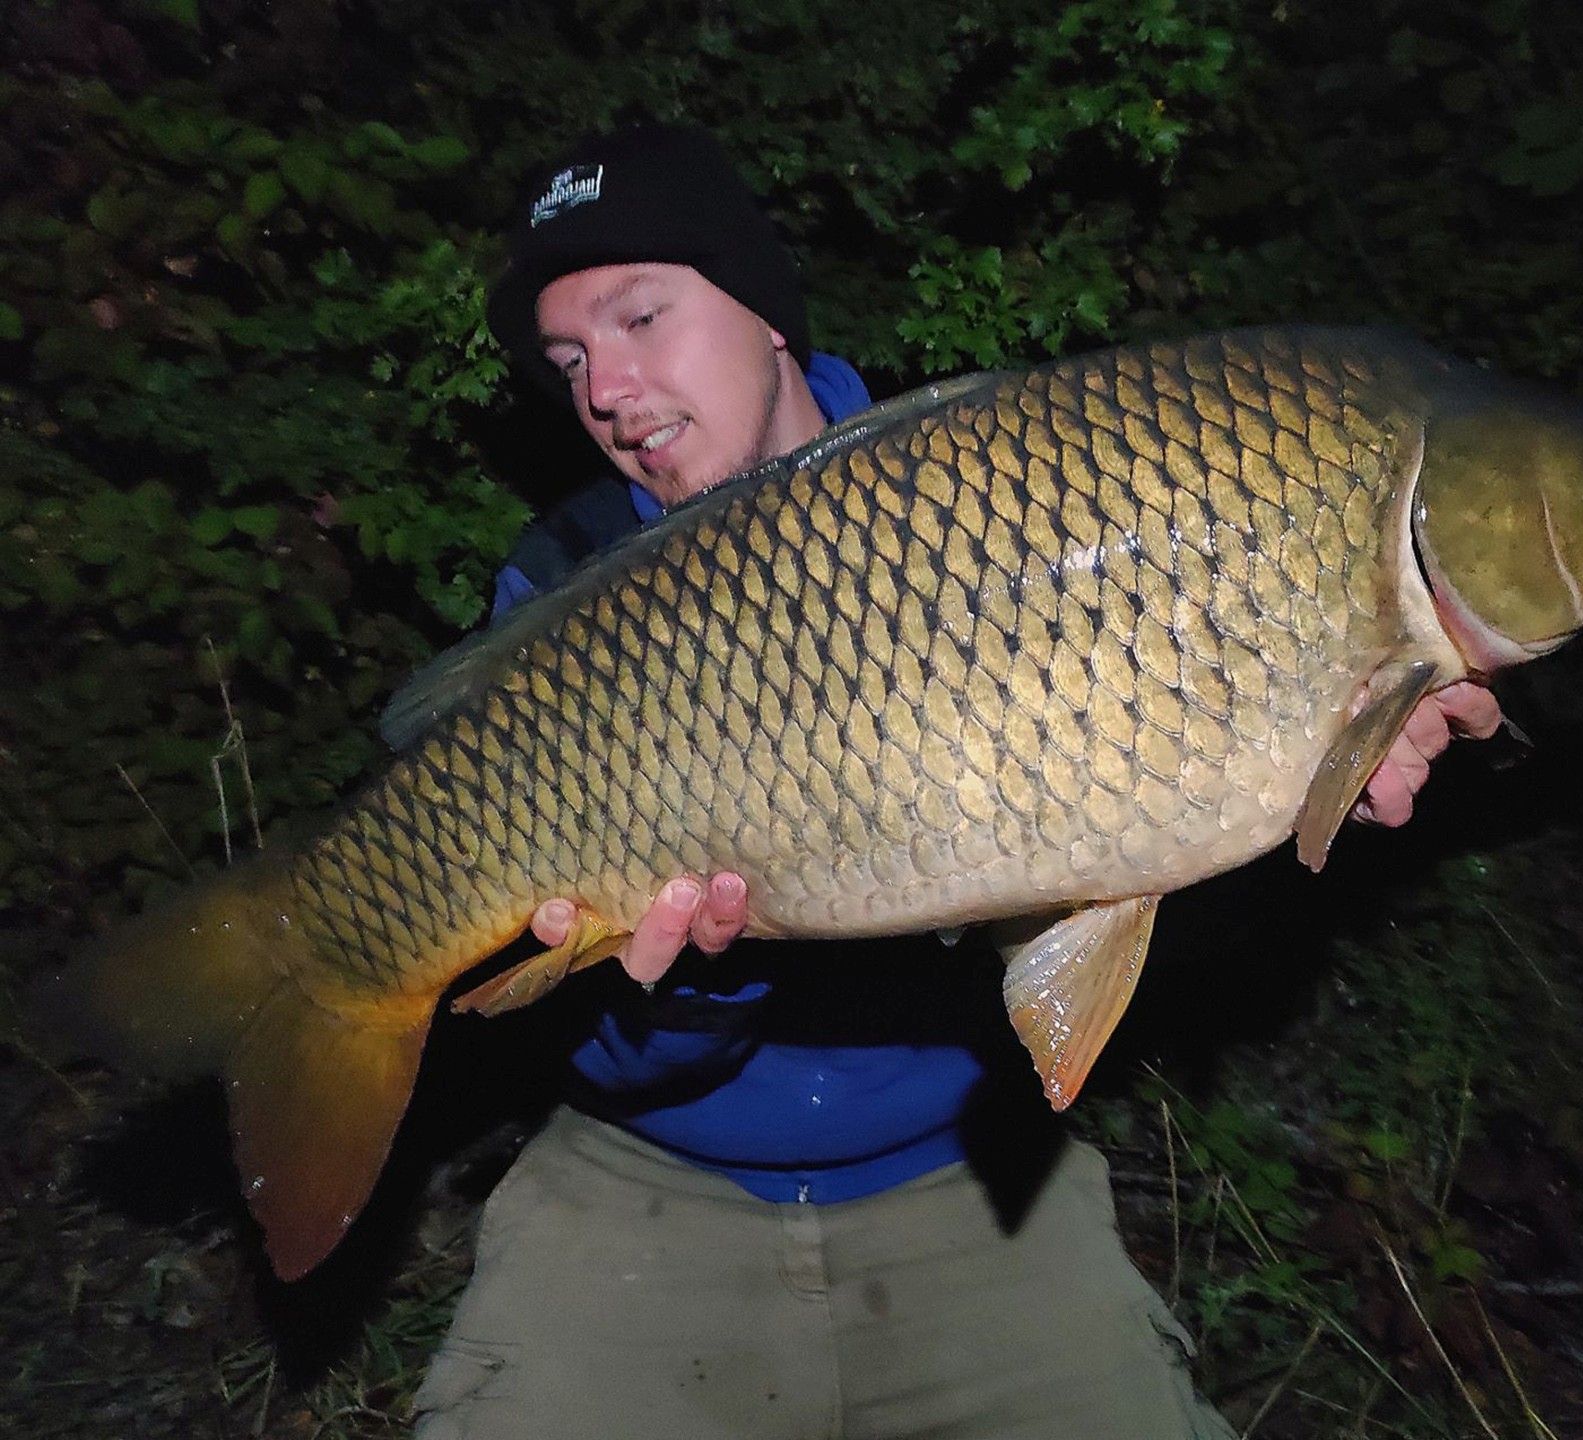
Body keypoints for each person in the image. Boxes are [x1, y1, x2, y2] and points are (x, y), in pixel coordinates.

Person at [411, 124, 1502, 1440]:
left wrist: (1324, 754)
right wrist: (712, 963)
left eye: (641, 316)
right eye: (570, 358)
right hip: (644, 1176)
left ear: (766, 313)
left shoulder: (992, 487)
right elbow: (602, 1050)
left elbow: (1155, 846)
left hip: (962, 1179)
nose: (607, 387)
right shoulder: (568, 584)